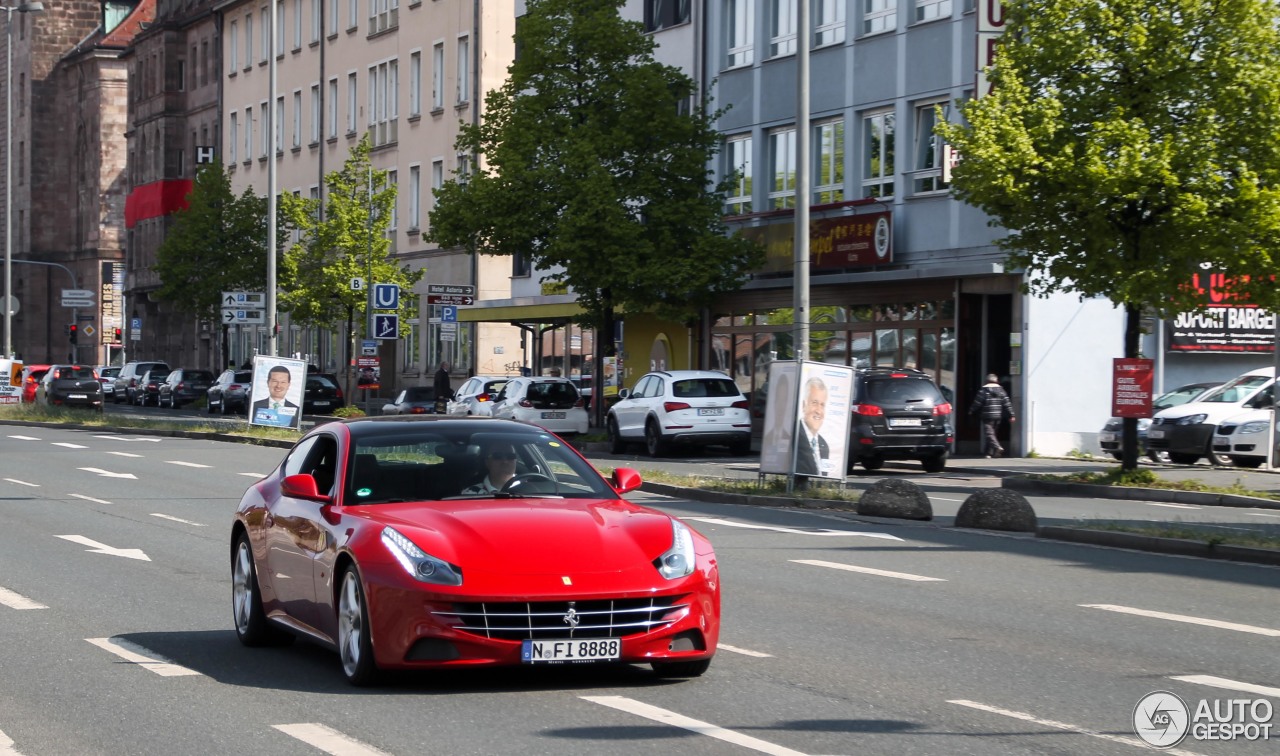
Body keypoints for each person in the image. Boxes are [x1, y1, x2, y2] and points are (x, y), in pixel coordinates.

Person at [970, 373, 1015, 458]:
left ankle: (997, 447)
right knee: (992, 434)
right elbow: (1007, 403)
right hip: (998, 415)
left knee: (989, 434)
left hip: (987, 415)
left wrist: (971, 410)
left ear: (987, 381)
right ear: (997, 381)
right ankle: (989, 453)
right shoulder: (1002, 391)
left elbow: (977, 402)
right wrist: (1011, 415)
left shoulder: (983, 391)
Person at [795, 376, 831, 476]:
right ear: (803, 406)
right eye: (814, 403)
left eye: (822, 405)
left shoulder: (824, 445)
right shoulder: (794, 437)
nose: (819, 411)